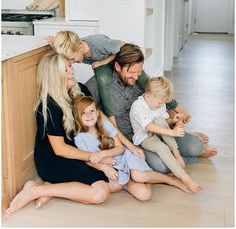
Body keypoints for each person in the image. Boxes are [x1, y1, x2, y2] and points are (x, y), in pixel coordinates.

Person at [6, 52, 119, 214]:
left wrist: (111, 150)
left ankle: (50, 188)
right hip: (55, 159)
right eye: (65, 70)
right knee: (100, 193)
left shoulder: (82, 90)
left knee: (115, 184)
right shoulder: (49, 107)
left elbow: (101, 121)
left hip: (79, 152)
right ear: (54, 76)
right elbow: (60, 149)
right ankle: (35, 191)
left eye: (70, 67)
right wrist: (97, 158)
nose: (71, 72)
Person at [86, 43, 217, 174]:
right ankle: (179, 156)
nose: (136, 77)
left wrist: (173, 120)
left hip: (160, 128)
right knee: (161, 166)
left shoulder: (141, 80)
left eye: (139, 72)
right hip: (136, 139)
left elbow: (160, 100)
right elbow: (81, 103)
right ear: (118, 67)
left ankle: (186, 146)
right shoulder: (100, 82)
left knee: (195, 147)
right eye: (131, 72)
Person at [47, 30, 185, 124]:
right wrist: (53, 42)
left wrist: (103, 62)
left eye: (71, 59)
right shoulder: (73, 47)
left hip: (119, 60)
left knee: (149, 84)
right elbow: (64, 46)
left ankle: (177, 108)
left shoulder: (98, 44)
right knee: (103, 81)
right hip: (106, 65)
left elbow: (124, 46)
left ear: (80, 46)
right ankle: (112, 120)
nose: (71, 62)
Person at [73, 95, 193, 195]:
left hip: (126, 156)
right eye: (84, 113)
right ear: (77, 117)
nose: (89, 115)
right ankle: (148, 179)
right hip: (115, 166)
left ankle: (170, 180)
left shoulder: (104, 124)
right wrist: (103, 165)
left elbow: (120, 149)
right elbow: (88, 159)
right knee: (144, 195)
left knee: (138, 176)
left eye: (92, 111)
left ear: (97, 112)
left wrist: (102, 155)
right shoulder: (79, 138)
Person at [130, 76, 202, 193]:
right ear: (148, 96)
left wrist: (173, 120)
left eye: (164, 102)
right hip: (145, 137)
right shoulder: (137, 107)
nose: (162, 105)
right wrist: (172, 132)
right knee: (162, 148)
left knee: (159, 121)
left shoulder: (159, 103)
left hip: (159, 130)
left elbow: (164, 122)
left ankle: (176, 154)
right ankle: (185, 178)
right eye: (160, 103)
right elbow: (149, 126)